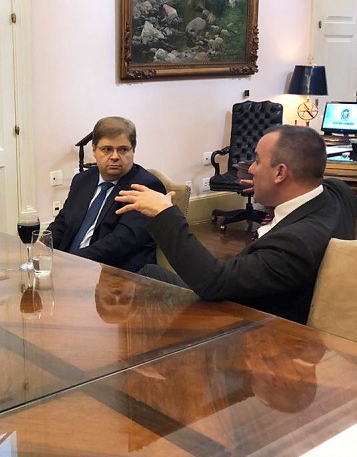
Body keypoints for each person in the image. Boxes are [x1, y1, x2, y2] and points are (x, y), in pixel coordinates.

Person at [115, 124, 357, 324]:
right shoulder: (339, 194)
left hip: (247, 325)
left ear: (280, 173)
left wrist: (165, 213)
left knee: (145, 276)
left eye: (257, 161)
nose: (251, 169)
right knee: (151, 272)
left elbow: (214, 282)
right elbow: (316, 182)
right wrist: (274, 192)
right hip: (254, 293)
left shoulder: (295, 243)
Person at [48, 116, 165, 272]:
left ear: (133, 150)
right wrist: (43, 247)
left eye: (123, 149)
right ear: (94, 150)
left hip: (114, 274)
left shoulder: (145, 187)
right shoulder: (82, 180)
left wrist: (70, 263)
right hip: (69, 266)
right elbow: (63, 222)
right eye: (107, 149)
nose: (115, 156)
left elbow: (121, 243)